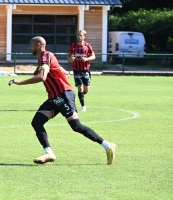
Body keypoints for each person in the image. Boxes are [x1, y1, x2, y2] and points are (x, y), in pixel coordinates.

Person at [8, 36, 116, 165]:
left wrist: (19, 82)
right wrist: (64, 71)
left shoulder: (44, 56)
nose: (28, 47)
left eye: (30, 44)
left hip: (63, 94)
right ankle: (49, 153)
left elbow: (42, 76)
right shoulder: (46, 57)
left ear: (38, 45)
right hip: (54, 97)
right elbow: (56, 66)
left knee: (76, 126)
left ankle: (107, 146)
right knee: (37, 122)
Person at [67, 30, 96, 112]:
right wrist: (71, 58)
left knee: (86, 90)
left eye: (81, 35)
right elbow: (68, 54)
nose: (79, 37)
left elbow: (93, 56)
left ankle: (81, 95)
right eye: (78, 35)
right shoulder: (73, 45)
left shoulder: (87, 46)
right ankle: (83, 106)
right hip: (76, 69)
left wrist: (86, 59)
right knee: (80, 88)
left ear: (84, 36)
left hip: (86, 70)